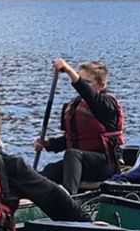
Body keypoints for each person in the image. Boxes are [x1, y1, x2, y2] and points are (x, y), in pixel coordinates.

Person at [39, 55, 125, 191]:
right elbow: (69, 140)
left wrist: (68, 70)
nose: (82, 86)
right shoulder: (72, 105)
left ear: (101, 85)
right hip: (79, 163)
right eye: (82, 81)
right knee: (49, 171)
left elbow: (89, 94)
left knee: (72, 154)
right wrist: (48, 144)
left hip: (105, 165)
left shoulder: (107, 104)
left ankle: (69, 202)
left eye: (87, 82)